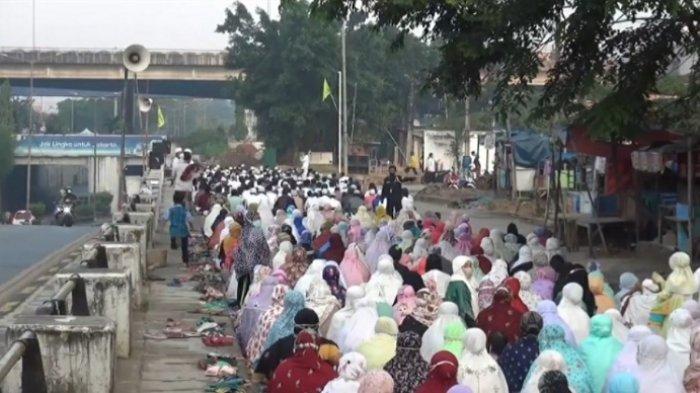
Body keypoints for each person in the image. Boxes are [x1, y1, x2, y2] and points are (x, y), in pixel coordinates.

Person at [164, 191, 192, 264]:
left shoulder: (170, 210)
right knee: (184, 246)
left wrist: (163, 226)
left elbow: (165, 218)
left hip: (173, 230)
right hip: (183, 230)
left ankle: (173, 243)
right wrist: (191, 227)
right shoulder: (185, 210)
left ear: (174, 200)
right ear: (182, 200)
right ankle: (185, 259)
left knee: (172, 230)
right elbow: (189, 219)